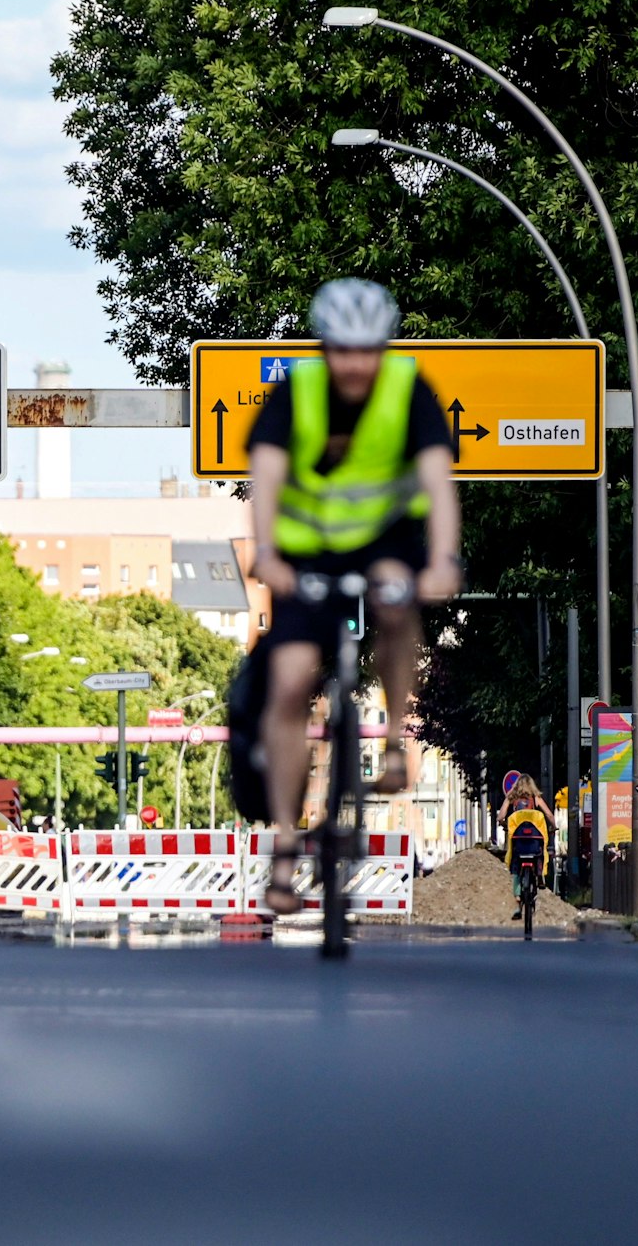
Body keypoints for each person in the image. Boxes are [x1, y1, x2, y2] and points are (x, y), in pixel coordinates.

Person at [250, 280, 464, 912]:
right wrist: (266, 555)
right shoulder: (296, 396)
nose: (355, 364)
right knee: (289, 682)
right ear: (325, 348)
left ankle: (395, 740)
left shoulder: (407, 391)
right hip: (306, 553)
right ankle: (286, 848)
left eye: (368, 351)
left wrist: (444, 560)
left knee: (400, 603)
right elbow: (264, 477)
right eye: (343, 350)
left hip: (383, 542)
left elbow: (438, 481)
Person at [505, 804, 550, 920]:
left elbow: (500, 817)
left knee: (515, 869)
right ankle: (539, 874)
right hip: (534, 848)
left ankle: (518, 902)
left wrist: (502, 823)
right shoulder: (538, 814)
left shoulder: (514, 815)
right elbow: (549, 814)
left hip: (520, 849)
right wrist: (553, 827)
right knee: (539, 854)